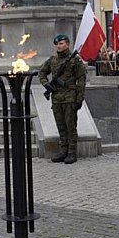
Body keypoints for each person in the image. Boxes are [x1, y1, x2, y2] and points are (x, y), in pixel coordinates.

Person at [38, 34, 86, 165]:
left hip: (70, 97)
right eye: (57, 44)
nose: (59, 46)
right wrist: (46, 84)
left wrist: (79, 99)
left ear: (68, 44)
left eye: (61, 44)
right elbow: (41, 72)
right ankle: (63, 151)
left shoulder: (75, 60)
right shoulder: (52, 60)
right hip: (56, 98)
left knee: (71, 126)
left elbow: (81, 80)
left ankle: (71, 152)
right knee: (61, 126)